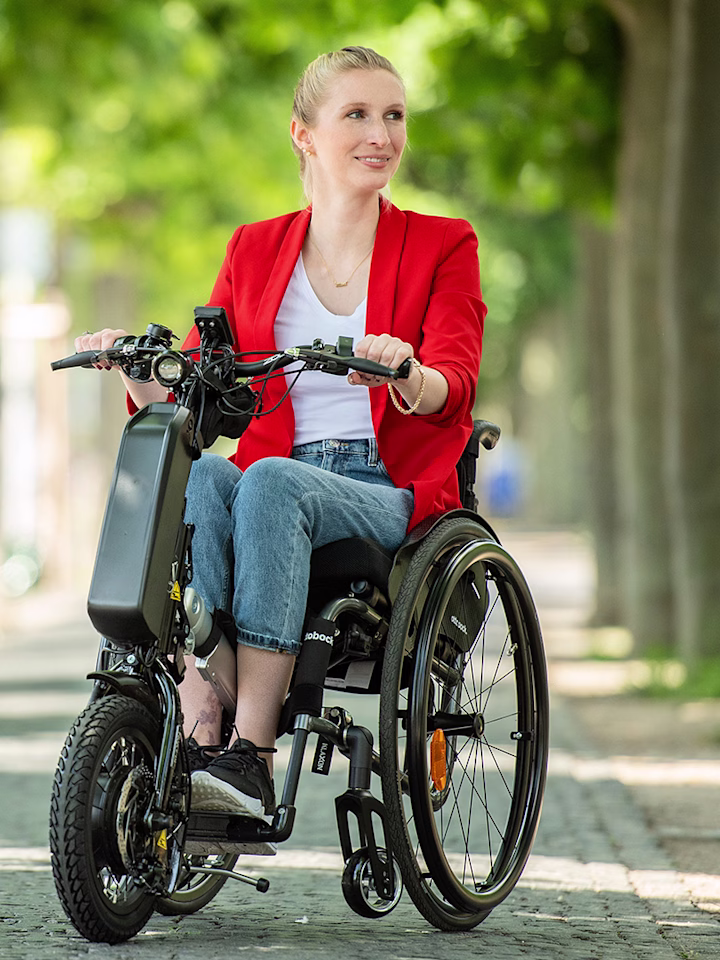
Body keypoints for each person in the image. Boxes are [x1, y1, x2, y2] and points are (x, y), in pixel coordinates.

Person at [76, 46, 485, 834]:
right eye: (357, 115)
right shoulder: (255, 247)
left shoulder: (443, 243)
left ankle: (252, 753)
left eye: (393, 116)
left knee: (267, 483)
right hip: (281, 476)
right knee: (194, 480)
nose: (381, 134)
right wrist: (137, 369)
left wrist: (406, 371)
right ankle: (203, 710)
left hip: (383, 488)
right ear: (304, 134)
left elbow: (454, 381)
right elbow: (210, 388)